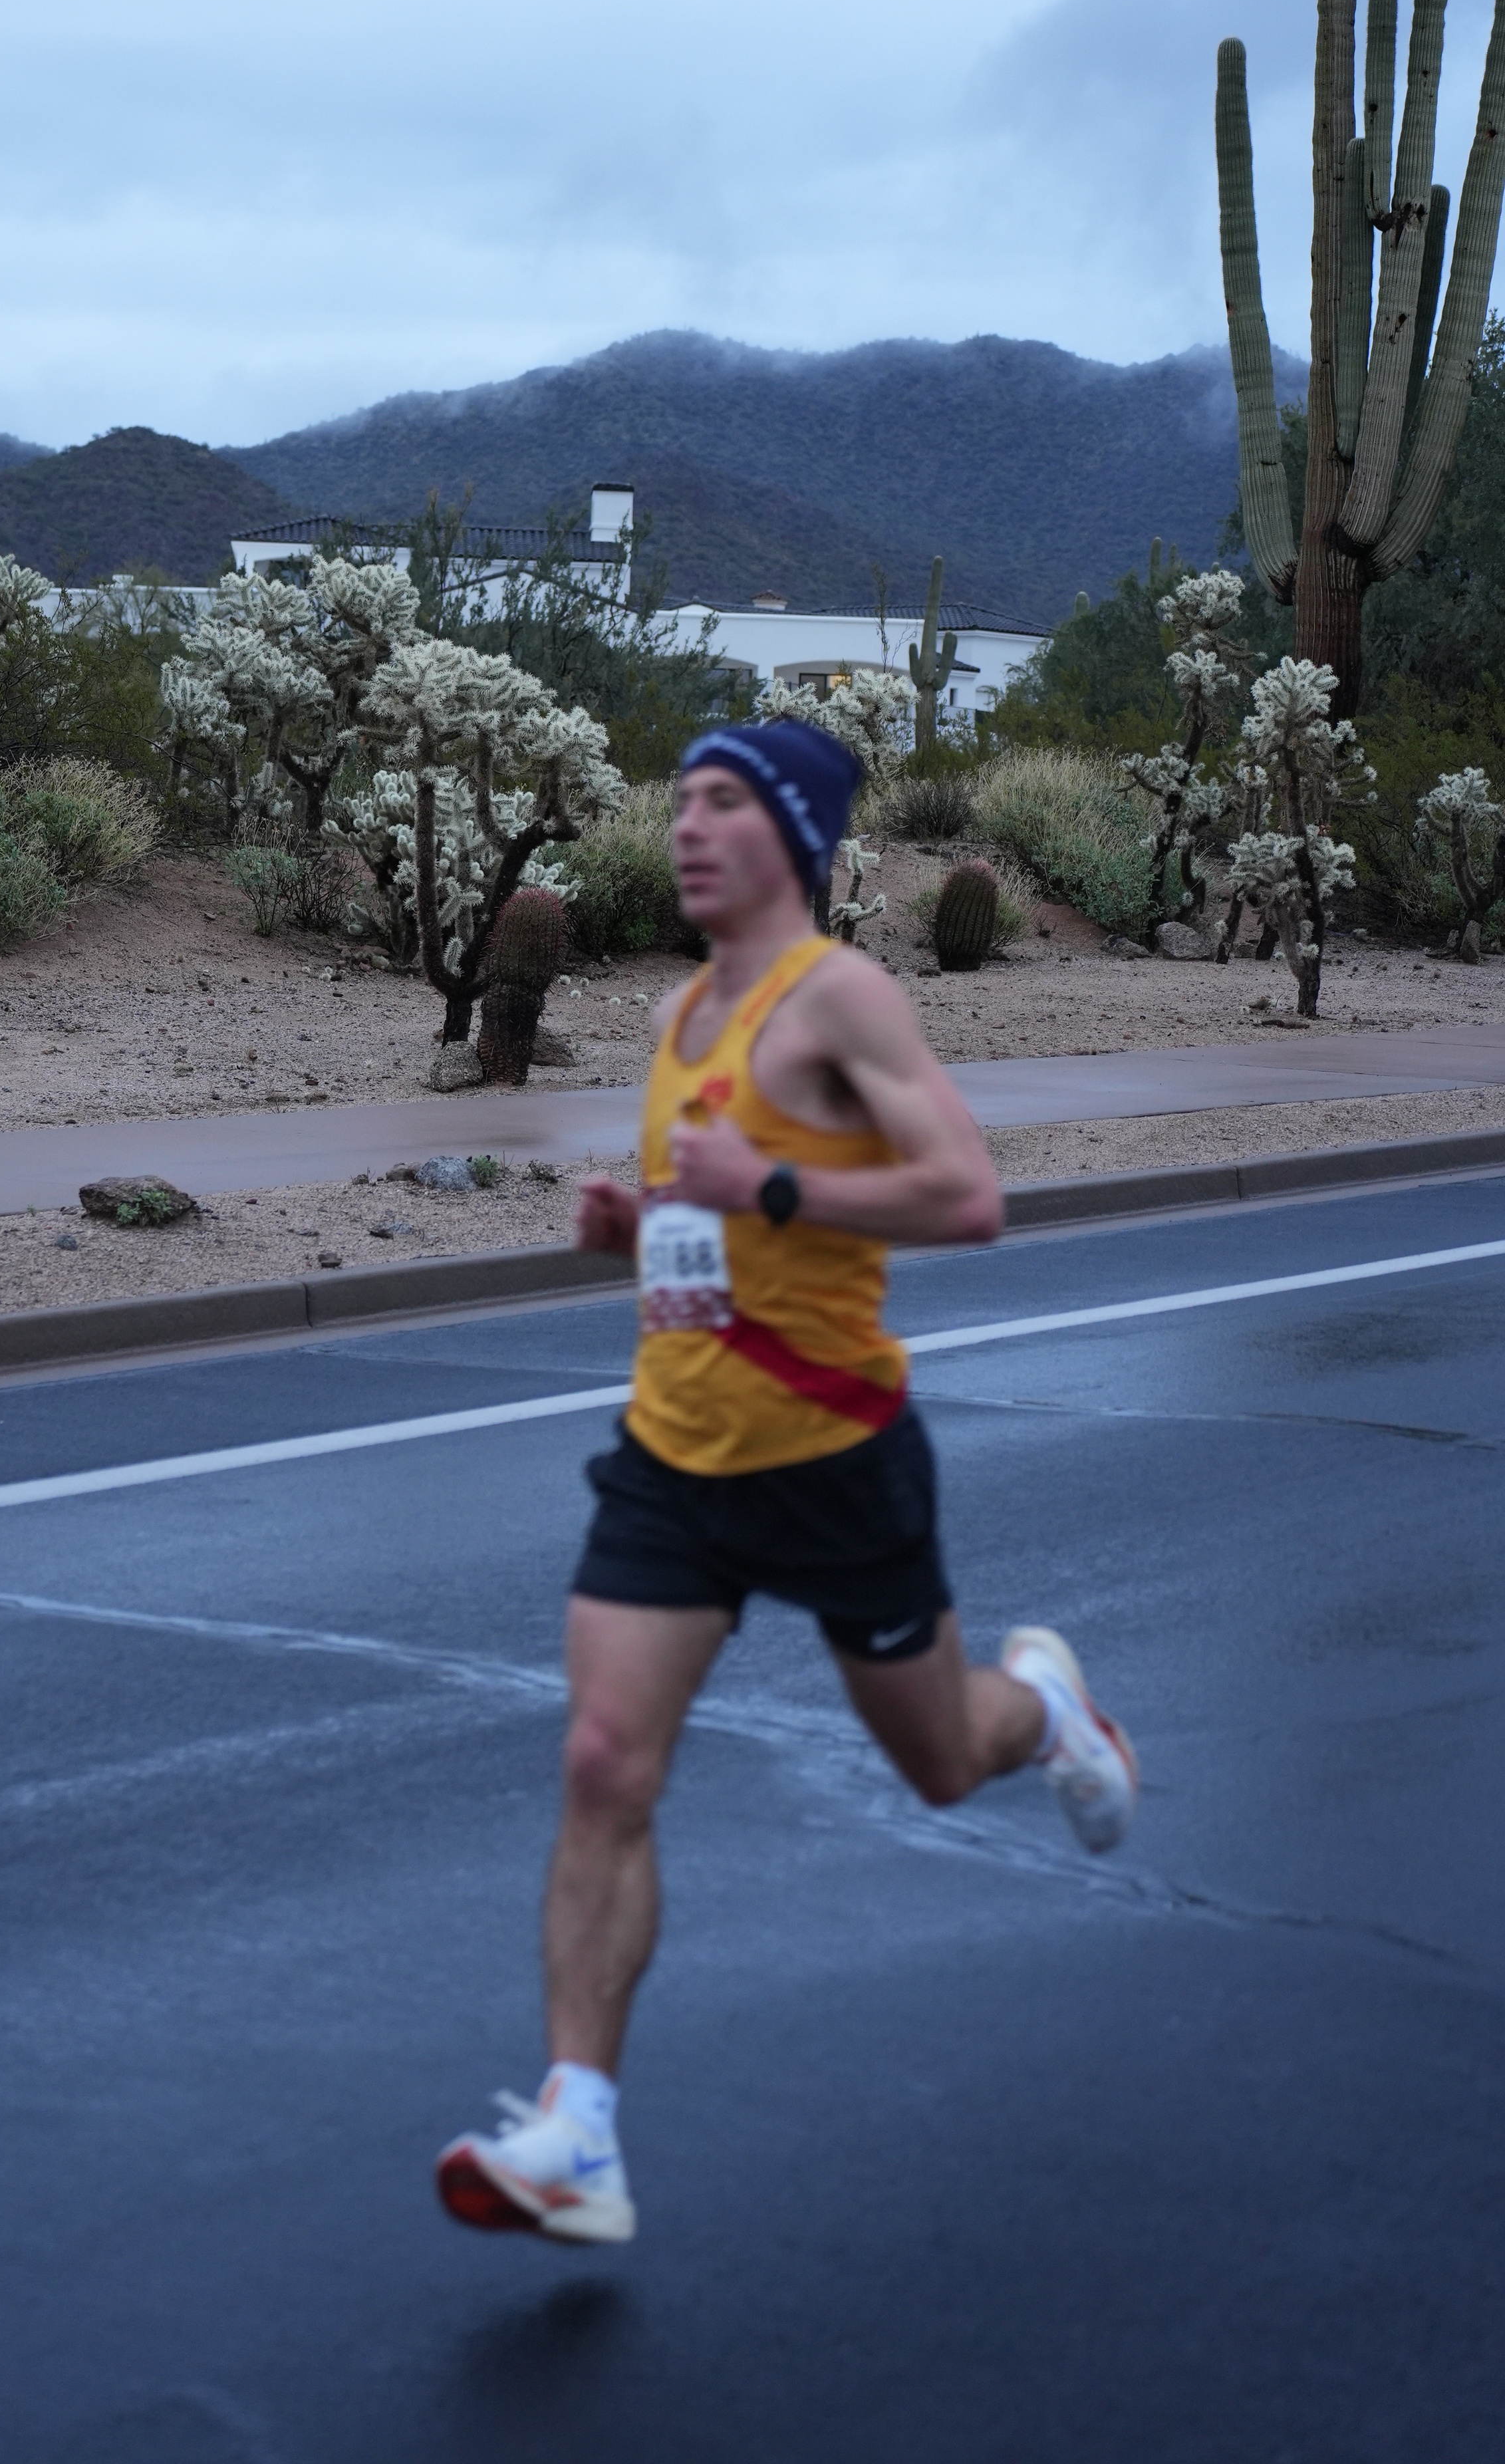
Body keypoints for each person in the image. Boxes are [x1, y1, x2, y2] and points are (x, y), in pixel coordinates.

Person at [435, 720, 1137, 2248]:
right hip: (675, 1453)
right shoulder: (682, 1010)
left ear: (797, 837)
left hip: (831, 1456)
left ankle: (1048, 1711)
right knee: (604, 1763)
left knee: (941, 1762)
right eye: (681, 800)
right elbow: (721, 1242)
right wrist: (640, 1232)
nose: (689, 826)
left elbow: (968, 1196)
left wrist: (766, 1182)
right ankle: (576, 2135)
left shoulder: (841, 997)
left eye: (726, 802)